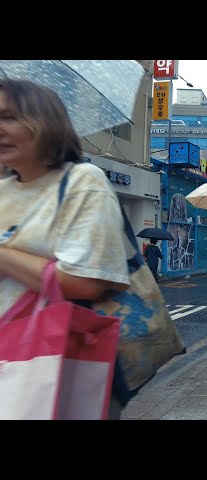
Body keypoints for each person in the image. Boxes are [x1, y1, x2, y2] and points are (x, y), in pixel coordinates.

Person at [0, 78, 131, 419]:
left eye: (9, 117)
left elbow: (86, 282)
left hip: (60, 362)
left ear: (45, 122)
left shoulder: (82, 181)